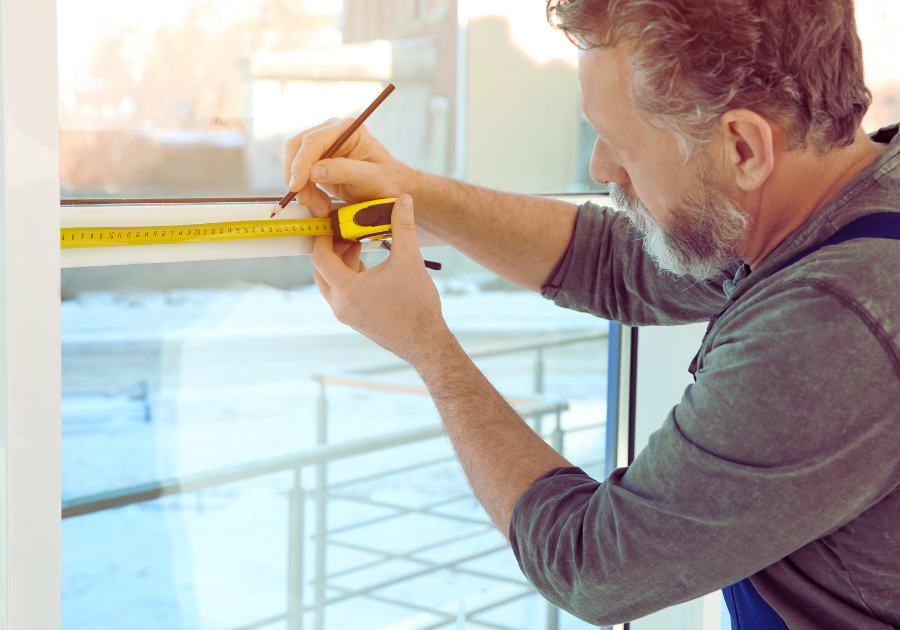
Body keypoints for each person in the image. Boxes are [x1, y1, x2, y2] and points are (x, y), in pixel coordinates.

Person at [282, 0, 900, 627]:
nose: (599, 168)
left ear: (743, 147)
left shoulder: (833, 322)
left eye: (623, 145)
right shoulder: (849, 190)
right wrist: (409, 190)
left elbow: (593, 566)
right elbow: (615, 263)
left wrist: (426, 344)